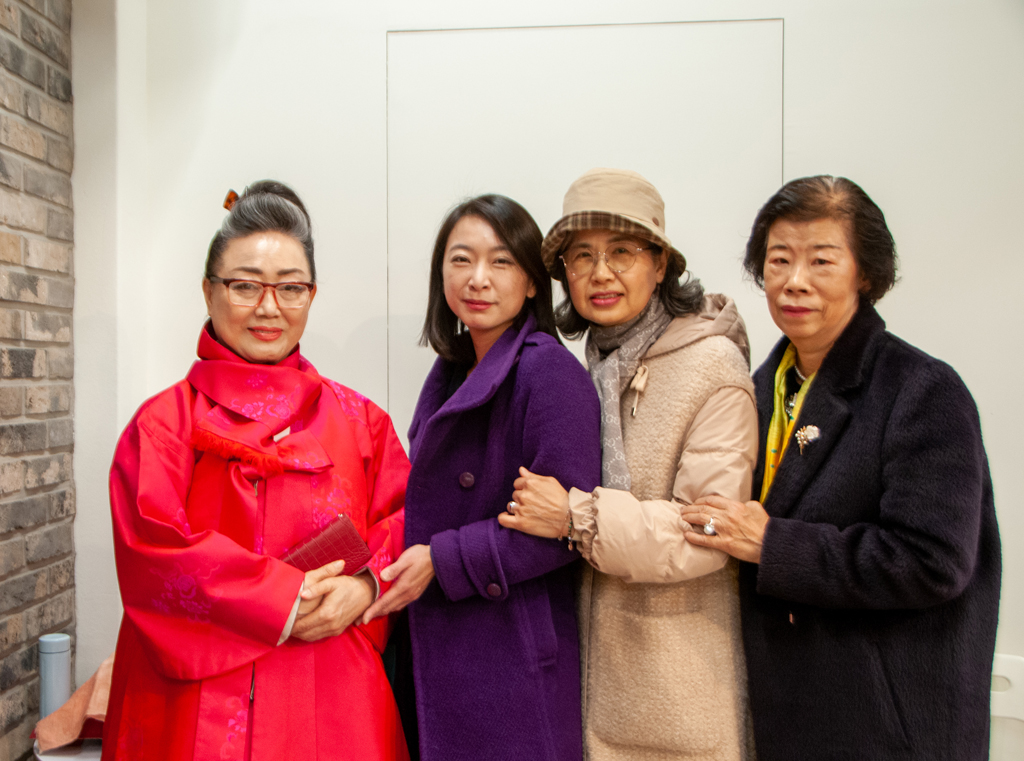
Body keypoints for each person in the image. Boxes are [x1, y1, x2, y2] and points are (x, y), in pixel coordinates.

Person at [681, 175, 1002, 761]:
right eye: (779, 259)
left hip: (890, 728)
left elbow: (934, 561)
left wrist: (774, 544)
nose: (795, 281)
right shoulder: (755, 390)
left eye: (821, 260)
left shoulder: (921, 388)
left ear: (865, 274)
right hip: (785, 717)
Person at [103, 181, 410, 761]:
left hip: (331, 692)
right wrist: (280, 599)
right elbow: (152, 550)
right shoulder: (163, 424)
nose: (269, 308)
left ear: (311, 295)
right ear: (208, 290)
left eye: (290, 288)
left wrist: (366, 586)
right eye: (245, 286)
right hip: (196, 702)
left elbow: (407, 520)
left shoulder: (362, 422)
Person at [499, 168, 757, 761]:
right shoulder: (589, 366)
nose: (601, 273)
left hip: (679, 689)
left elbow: (709, 532)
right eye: (581, 256)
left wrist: (576, 516)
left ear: (661, 264)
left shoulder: (713, 365)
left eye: (622, 251)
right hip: (594, 683)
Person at [361, 195, 601, 761]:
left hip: (508, 655)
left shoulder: (548, 371)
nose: (478, 279)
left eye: (501, 261)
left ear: (533, 281)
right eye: (461, 259)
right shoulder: (451, 368)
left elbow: (564, 531)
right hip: (444, 638)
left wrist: (443, 560)